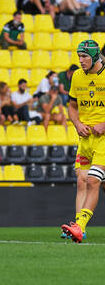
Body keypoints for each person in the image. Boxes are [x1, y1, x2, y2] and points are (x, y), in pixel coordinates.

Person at [61, 40, 105, 243]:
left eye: (85, 56)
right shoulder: (77, 76)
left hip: (103, 138)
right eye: (79, 56)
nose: (80, 60)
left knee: (93, 180)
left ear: (95, 56)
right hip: (85, 139)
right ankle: (79, 227)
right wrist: (77, 123)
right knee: (86, 181)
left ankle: (80, 227)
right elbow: (71, 106)